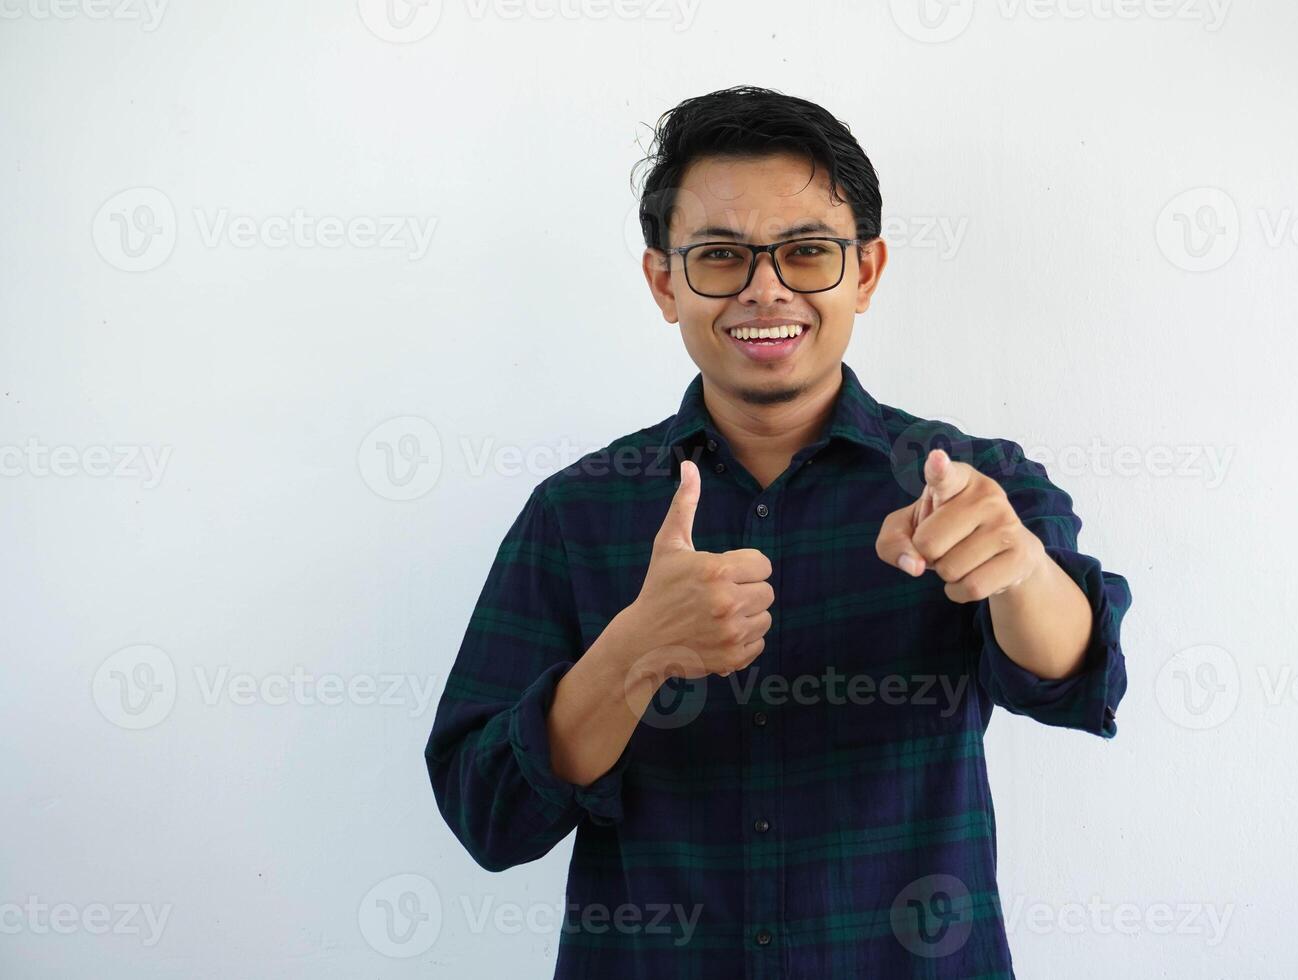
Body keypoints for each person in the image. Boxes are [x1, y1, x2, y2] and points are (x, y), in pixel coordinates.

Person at [424, 84, 1131, 979]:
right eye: (721, 256)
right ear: (663, 281)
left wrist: (1017, 567)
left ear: (866, 272)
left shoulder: (969, 484)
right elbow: (489, 816)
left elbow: (1078, 681)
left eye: (807, 252)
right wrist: (630, 656)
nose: (766, 288)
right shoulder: (577, 514)